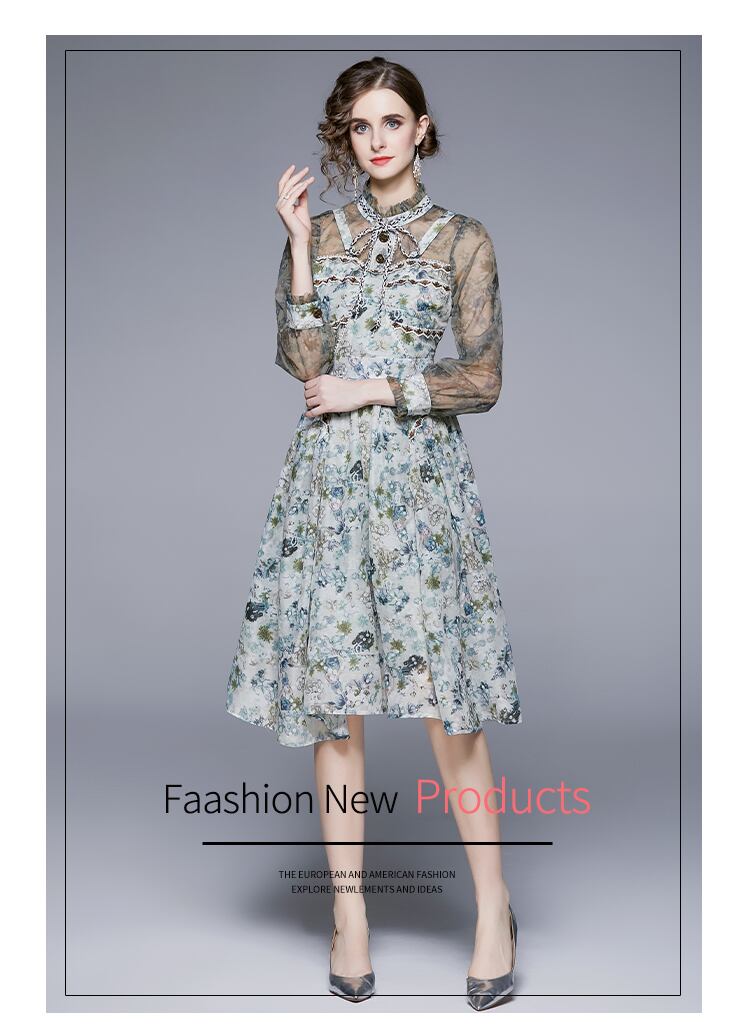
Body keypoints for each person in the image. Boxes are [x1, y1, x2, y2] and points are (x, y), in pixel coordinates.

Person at [226, 55, 521, 1011]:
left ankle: (492, 906)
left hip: (421, 486)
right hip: (329, 485)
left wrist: (377, 388)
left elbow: (483, 379)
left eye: (393, 120)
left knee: (449, 702)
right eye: (361, 126)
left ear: (422, 128)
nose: (378, 139)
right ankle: (348, 914)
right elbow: (301, 360)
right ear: (345, 138)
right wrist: (297, 245)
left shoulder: (463, 239)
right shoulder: (322, 232)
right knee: (332, 700)